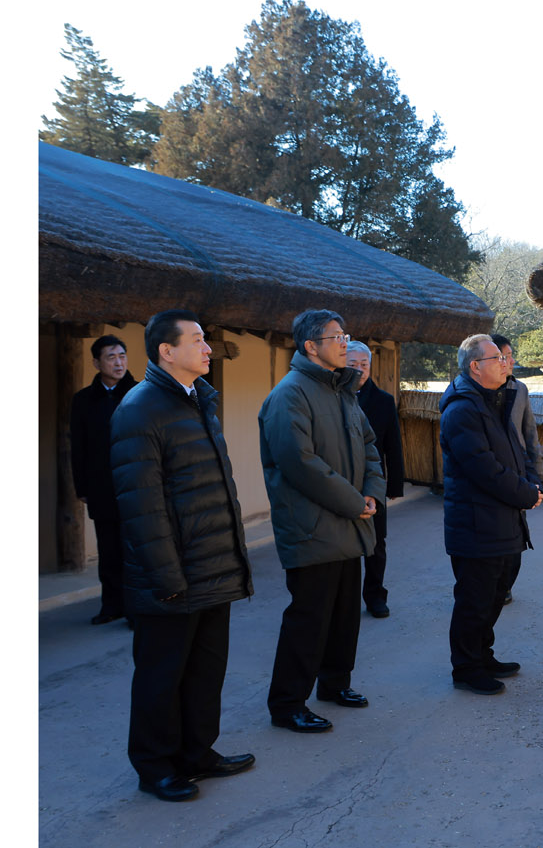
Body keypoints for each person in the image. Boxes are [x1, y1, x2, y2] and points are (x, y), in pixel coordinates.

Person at [110, 310, 254, 802]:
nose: (208, 347)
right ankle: (155, 766)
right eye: (197, 340)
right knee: (160, 676)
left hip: (213, 566)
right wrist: (167, 578)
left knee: (204, 671)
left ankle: (197, 753)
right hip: (173, 576)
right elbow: (142, 505)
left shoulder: (198, 402)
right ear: (166, 351)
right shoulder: (140, 408)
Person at [260, 310, 385, 733]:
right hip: (313, 525)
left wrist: (372, 493)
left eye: (346, 335)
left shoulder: (342, 391)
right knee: (308, 619)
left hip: (350, 521)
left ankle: (335, 684)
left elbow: (370, 445)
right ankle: (287, 703)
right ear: (310, 346)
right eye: (335, 337)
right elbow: (300, 464)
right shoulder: (290, 394)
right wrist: (355, 502)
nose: (344, 343)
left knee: (345, 613)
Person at [439, 334, 543, 695]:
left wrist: (531, 482)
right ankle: (466, 668)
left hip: (502, 519)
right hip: (476, 523)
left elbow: (519, 451)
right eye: (497, 358)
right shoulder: (462, 408)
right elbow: (483, 469)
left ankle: (483, 655)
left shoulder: (495, 399)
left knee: (496, 592)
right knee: (474, 600)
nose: (505, 363)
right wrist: (526, 494)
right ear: (475, 366)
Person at [71, 334, 137, 626]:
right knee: (108, 550)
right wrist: (82, 487)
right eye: (111, 357)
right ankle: (112, 605)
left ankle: (138, 609)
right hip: (101, 486)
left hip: (136, 485)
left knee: (136, 549)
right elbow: (78, 445)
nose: (119, 362)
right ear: (97, 362)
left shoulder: (140, 393)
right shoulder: (83, 400)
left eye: (122, 355)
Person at [345, 341, 405, 618]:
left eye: (363, 364)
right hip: (342, 481)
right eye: (352, 364)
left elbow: (393, 444)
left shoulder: (382, 400)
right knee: (344, 543)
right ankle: (343, 599)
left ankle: (375, 595)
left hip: (373, 481)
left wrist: (394, 485)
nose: (359, 370)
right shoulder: (334, 396)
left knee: (376, 542)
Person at [490, 333, 542, 605]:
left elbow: (529, 433)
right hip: (491, 471)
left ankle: (506, 585)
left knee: (517, 533)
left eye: (511, 356)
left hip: (518, 471)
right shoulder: (481, 393)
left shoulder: (519, 389)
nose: (511, 361)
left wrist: (536, 476)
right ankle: (493, 583)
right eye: (506, 356)